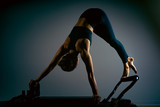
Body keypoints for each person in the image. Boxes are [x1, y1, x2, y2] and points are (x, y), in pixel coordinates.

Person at [29, 8, 137, 104]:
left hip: (98, 15)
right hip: (85, 15)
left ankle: (127, 61)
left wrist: (96, 94)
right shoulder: (65, 47)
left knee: (113, 41)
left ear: (74, 61)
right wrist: (37, 80)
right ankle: (126, 60)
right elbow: (51, 66)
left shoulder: (83, 50)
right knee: (111, 41)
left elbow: (90, 74)